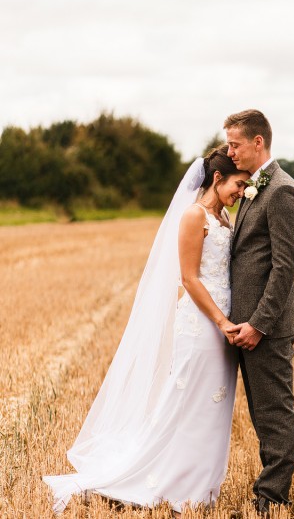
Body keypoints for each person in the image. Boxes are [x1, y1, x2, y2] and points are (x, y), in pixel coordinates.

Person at [43, 147, 251, 515]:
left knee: (213, 404)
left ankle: (198, 485)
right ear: (217, 179)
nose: (241, 192)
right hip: (203, 324)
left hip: (225, 323)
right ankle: (163, 480)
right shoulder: (193, 216)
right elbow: (188, 278)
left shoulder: (224, 219)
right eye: (238, 184)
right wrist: (220, 320)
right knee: (188, 400)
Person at [224, 109, 294, 512]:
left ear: (258, 142)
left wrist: (258, 324)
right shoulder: (256, 187)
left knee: (274, 412)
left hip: (266, 328)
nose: (229, 151)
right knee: (260, 413)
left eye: (235, 144)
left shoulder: (282, 191)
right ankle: (269, 491)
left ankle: (272, 497)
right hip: (244, 326)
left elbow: (284, 268)